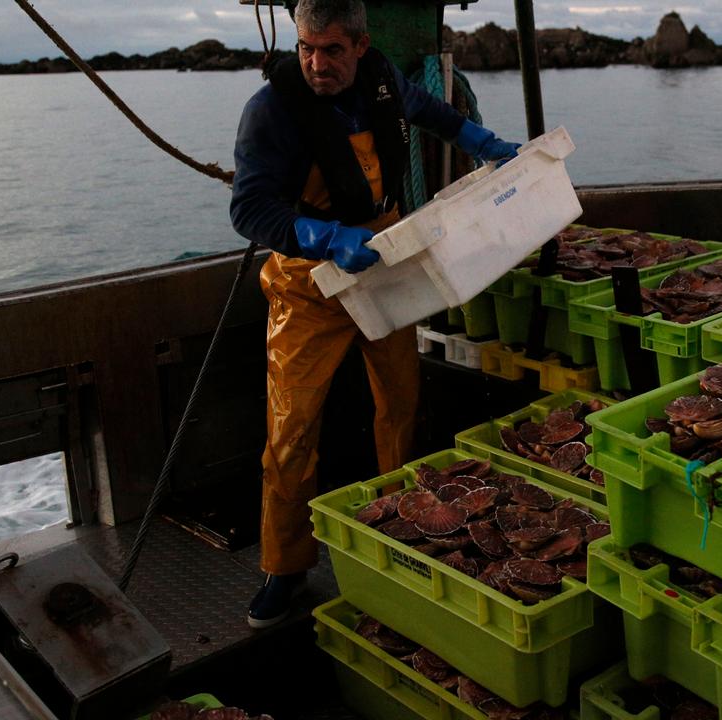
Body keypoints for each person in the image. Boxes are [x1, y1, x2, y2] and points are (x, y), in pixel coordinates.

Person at [230, 0, 519, 628]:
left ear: (360, 46)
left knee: (400, 402)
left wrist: (480, 141)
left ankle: (406, 530)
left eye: (332, 49)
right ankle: (283, 568)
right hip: (311, 283)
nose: (316, 63)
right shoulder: (271, 110)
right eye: (307, 48)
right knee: (292, 429)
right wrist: (323, 238)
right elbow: (249, 211)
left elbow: (429, 109)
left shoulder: (382, 80)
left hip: (384, 263)